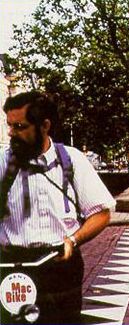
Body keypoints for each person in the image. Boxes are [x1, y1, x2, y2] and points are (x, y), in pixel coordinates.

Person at [0, 91, 115, 324]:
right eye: (9, 125)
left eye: (20, 126)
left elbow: (101, 213)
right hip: (14, 268)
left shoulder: (71, 160)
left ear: (44, 126)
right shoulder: (2, 163)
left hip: (59, 265)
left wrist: (73, 240)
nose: (11, 133)